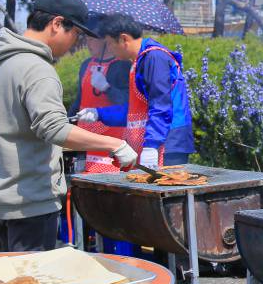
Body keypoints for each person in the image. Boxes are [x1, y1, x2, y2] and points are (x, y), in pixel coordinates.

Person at [0, 0, 138, 284]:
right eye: (74, 34)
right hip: (27, 198)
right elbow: (52, 127)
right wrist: (112, 146)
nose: (75, 44)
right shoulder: (36, 68)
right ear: (56, 23)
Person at [77, 13, 194, 168]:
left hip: (168, 142)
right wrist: (99, 114)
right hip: (153, 139)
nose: (110, 49)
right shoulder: (137, 61)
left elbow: (161, 106)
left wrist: (151, 146)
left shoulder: (154, 57)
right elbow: (134, 111)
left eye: (111, 43)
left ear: (124, 39)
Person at [68, 16, 131, 173]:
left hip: (109, 139)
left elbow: (126, 103)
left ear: (105, 40)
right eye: (86, 38)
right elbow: (79, 100)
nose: (88, 43)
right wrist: (66, 123)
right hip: (84, 136)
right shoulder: (86, 65)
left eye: (92, 39)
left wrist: (107, 87)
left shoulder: (122, 65)